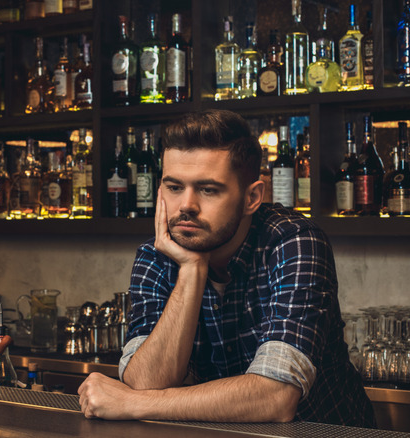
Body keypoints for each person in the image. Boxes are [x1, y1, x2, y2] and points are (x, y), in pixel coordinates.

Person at [77, 110, 375, 427]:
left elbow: (275, 397)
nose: (186, 206)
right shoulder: (158, 254)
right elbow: (146, 381)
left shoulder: (294, 242)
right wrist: (192, 269)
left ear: (252, 197)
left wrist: (132, 403)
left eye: (208, 190)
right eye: (174, 187)